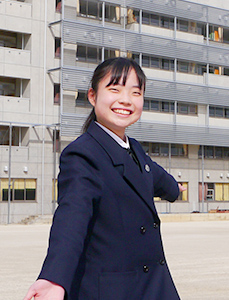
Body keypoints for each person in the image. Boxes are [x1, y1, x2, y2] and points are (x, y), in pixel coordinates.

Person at [23, 57, 185, 300]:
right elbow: (72, 216)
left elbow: (155, 175)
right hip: (116, 290)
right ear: (92, 96)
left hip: (153, 285)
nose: (126, 100)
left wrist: (175, 190)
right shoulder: (83, 154)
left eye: (135, 92)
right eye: (114, 89)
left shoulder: (134, 149)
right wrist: (54, 277)